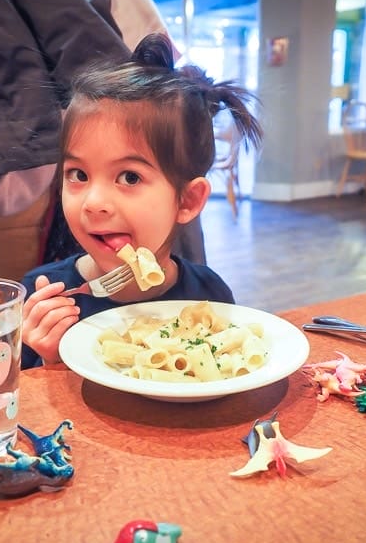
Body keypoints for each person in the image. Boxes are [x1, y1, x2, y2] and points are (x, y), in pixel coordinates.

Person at [20, 33, 262, 369]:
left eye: (129, 177)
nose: (93, 202)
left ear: (187, 201)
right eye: (78, 174)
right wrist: (52, 359)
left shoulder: (210, 294)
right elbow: (22, 410)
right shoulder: (43, 295)